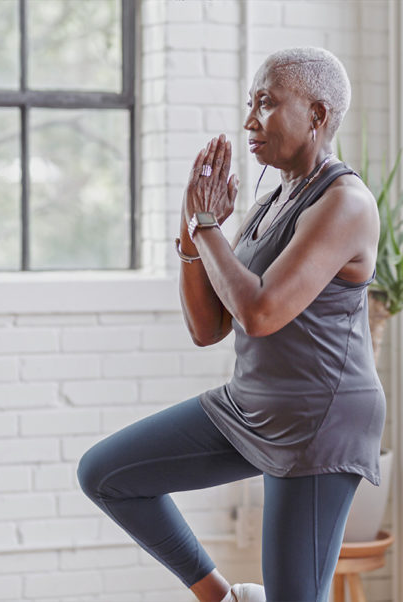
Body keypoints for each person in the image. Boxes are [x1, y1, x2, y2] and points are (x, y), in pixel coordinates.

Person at [77, 46, 385, 602]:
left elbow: (260, 312)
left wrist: (206, 224)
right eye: (249, 103)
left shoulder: (345, 203)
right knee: (106, 474)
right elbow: (208, 326)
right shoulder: (270, 202)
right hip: (253, 403)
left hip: (317, 421)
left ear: (317, 115)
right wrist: (193, 227)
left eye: (265, 103)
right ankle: (224, 598)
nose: (249, 120)